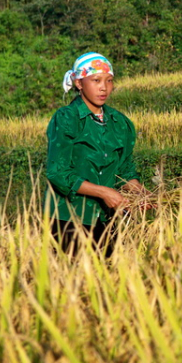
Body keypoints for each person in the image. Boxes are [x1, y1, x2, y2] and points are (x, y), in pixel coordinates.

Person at [44, 52, 149, 255]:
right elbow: (58, 173)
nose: (104, 87)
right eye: (96, 80)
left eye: (109, 81)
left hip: (108, 218)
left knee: (108, 278)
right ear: (79, 83)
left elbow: (125, 170)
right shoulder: (67, 119)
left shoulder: (120, 123)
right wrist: (103, 192)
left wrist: (139, 192)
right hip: (69, 218)